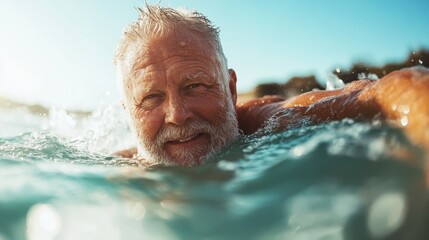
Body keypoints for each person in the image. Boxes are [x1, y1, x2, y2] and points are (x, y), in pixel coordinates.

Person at [114, 4, 429, 171]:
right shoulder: (117, 165)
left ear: (231, 89)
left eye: (195, 86)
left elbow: (389, 89)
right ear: (128, 112)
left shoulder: (269, 121)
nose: (177, 115)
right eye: (152, 97)